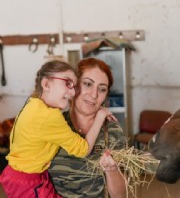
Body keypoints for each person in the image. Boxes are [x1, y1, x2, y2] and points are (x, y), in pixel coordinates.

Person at [0, 60, 114, 197]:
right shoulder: (50, 116)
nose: (72, 92)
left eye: (74, 86)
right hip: (29, 181)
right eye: (67, 83)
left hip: (17, 174)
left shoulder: (32, 103)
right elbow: (83, 149)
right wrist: (100, 116)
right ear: (46, 84)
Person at [48, 57, 127, 198]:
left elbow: (120, 195)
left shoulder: (112, 130)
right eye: (88, 84)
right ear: (74, 85)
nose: (94, 94)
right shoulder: (53, 123)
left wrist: (112, 170)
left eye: (102, 89)